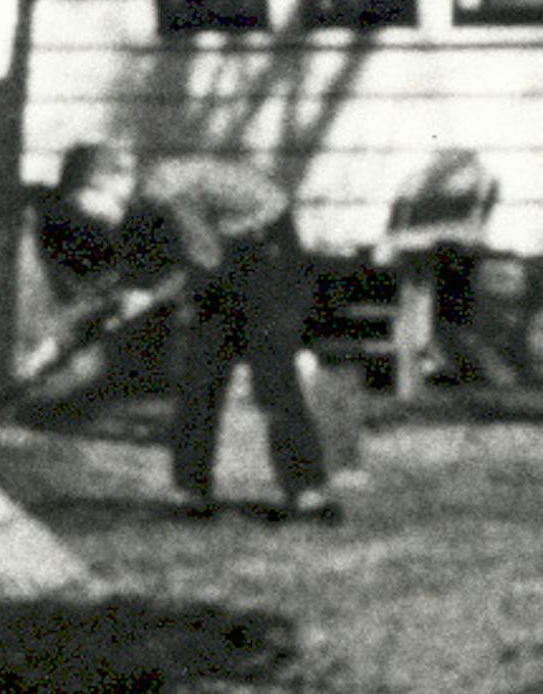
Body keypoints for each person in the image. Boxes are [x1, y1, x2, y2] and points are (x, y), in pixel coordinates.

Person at [35, 141, 338, 521]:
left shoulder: (166, 195)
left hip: (266, 250)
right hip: (225, 251)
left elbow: (203, 261)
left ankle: (308, 492)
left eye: (88, 202)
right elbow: (134, 275)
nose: (92, 215)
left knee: (273, 376)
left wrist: (149, 297)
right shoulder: (140, 205)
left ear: (110, 181)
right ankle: (190, 492)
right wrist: (60, 338)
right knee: (199, 374)